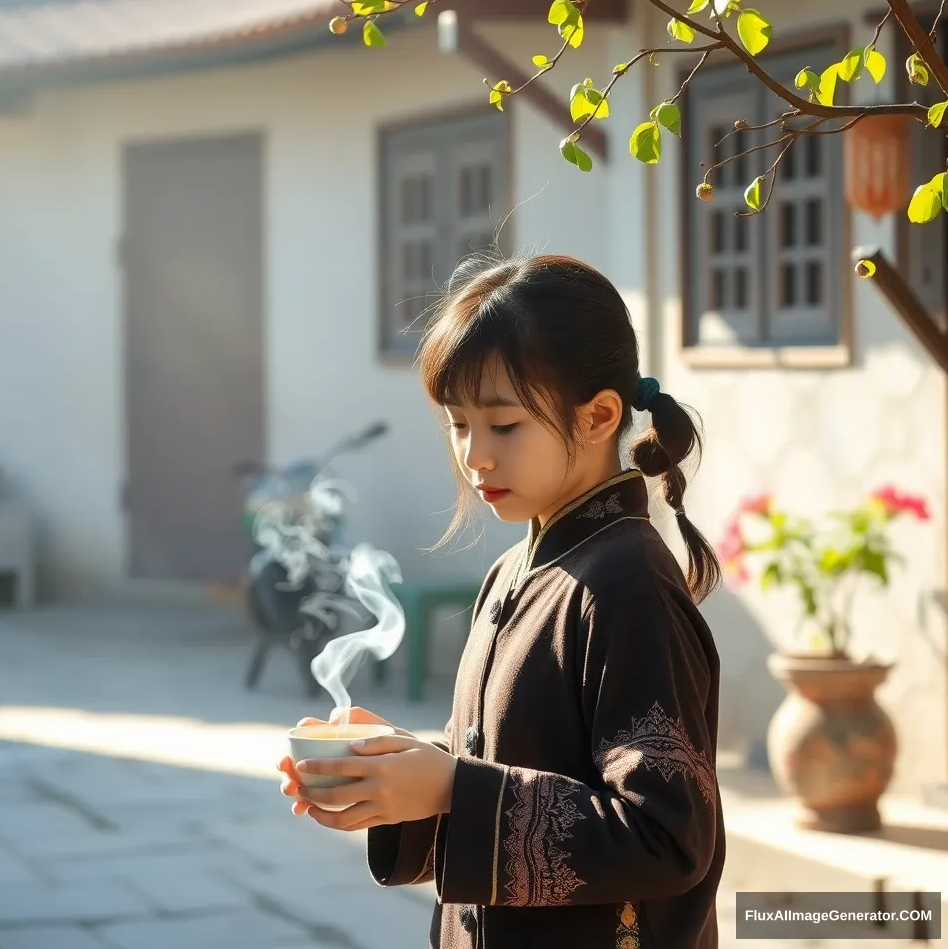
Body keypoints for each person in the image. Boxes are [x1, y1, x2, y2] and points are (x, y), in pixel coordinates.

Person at [277, 253, 725, 948]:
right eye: (458, 424)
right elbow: (493, 767)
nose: (474, 456)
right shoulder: (515, 570)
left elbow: (666, 836)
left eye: (504, 425)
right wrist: (395, 776)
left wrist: (453, 787)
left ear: (600, 415)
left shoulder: (627, 585)